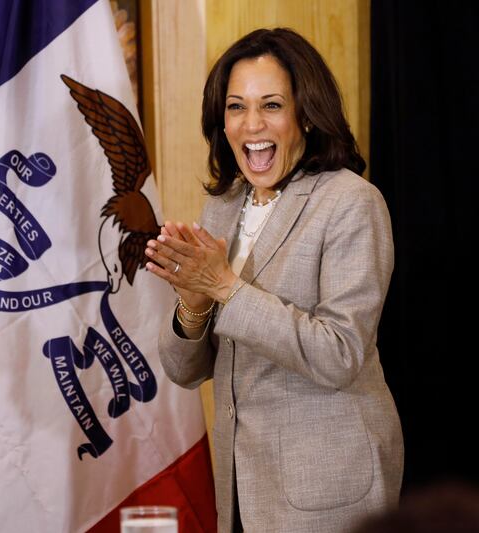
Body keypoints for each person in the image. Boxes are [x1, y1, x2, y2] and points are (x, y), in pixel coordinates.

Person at [144, 28, 403, 533]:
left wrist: (225, 288)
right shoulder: (221, 208)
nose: (252, 125)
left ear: (305, 114)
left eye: (272, 105)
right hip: (243, 487)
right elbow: (185, 371)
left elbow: (340, 353)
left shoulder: (351, 202)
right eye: (236, 107)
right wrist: (193, 302)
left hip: (329, 485)